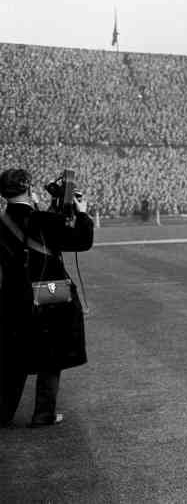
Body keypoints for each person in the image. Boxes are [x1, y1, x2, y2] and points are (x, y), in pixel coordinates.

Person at [0, 169, 94, 427]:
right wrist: (82, 213)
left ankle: (3, 413)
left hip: (11, 296)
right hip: (49, 292)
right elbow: (81, 240)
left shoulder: (3, 221)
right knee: (51, 353)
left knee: (12, 356)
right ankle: (44, 413)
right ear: (29, 189)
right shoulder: (42, 220)